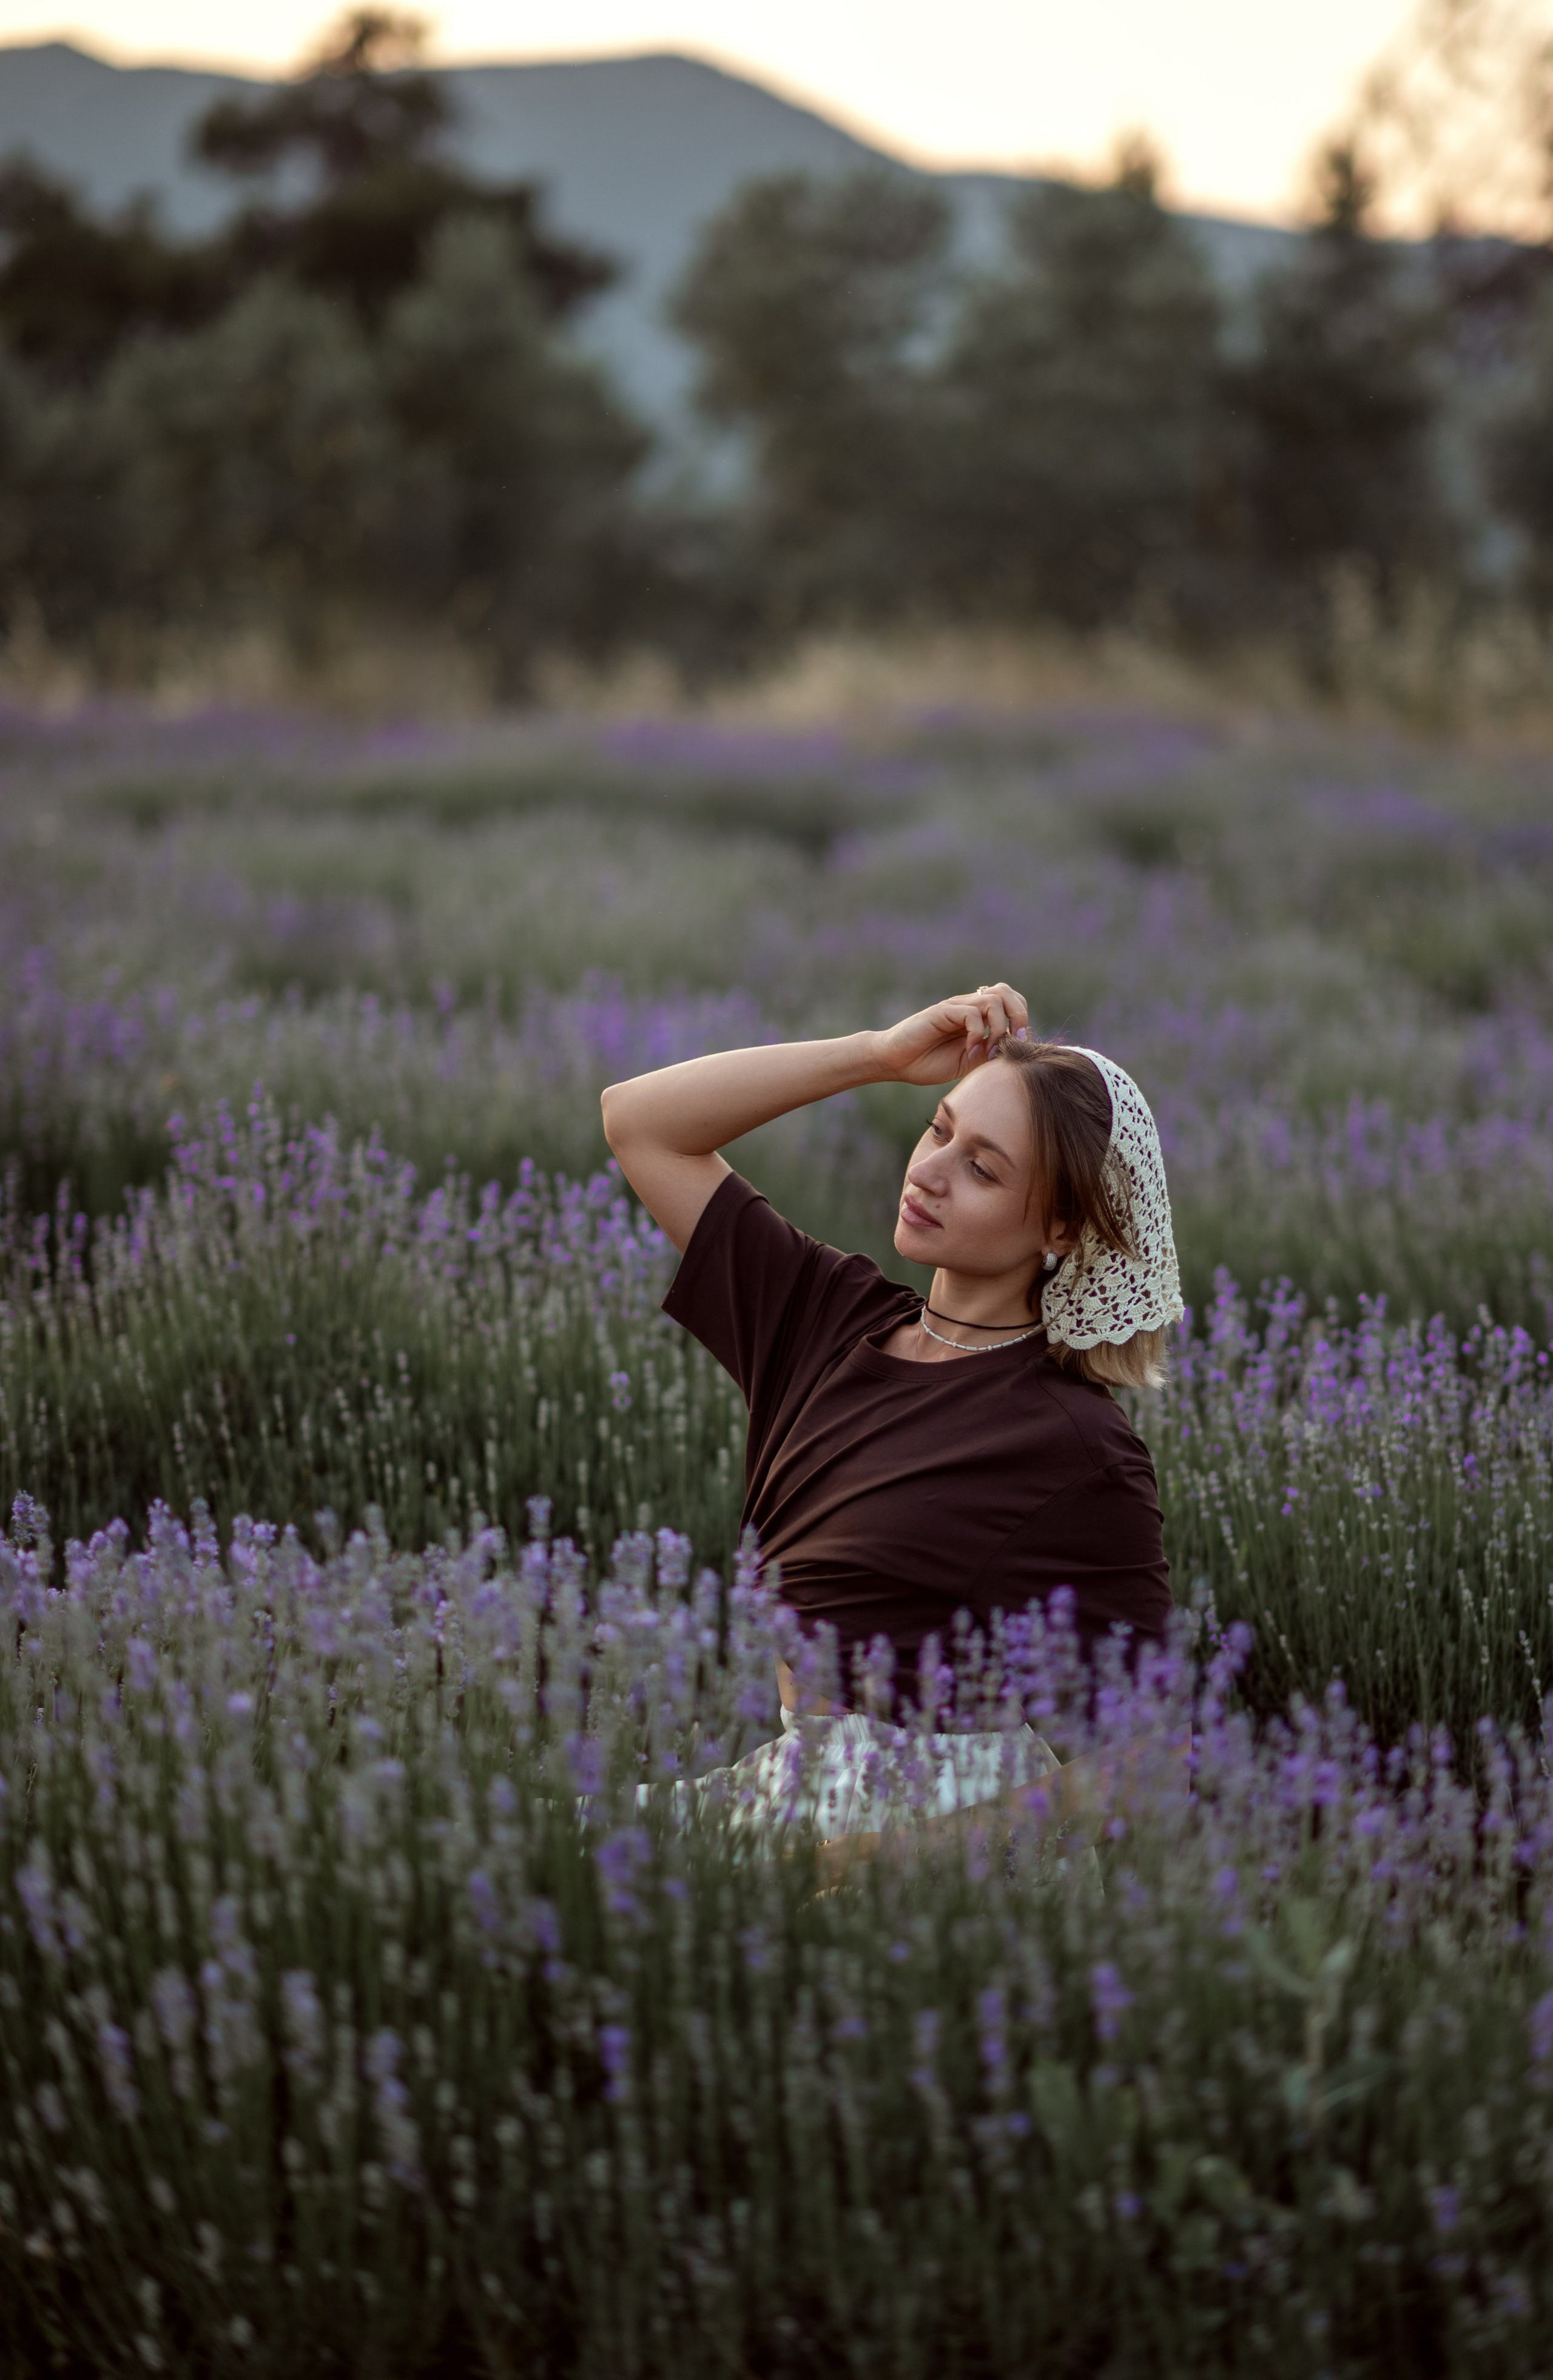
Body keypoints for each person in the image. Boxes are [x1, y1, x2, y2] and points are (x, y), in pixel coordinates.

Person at [601, 981, 1184, 1864]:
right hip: (793, 1789)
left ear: (1062, 1226)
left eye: (984, 1168)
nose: (931, 1171)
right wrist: (878, 1055)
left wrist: (896, 1855)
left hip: (936, 1842)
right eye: (938, 1129)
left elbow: (1151, 1760)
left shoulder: (1077, 1446)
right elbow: (638, 1122)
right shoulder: (825, 1315)